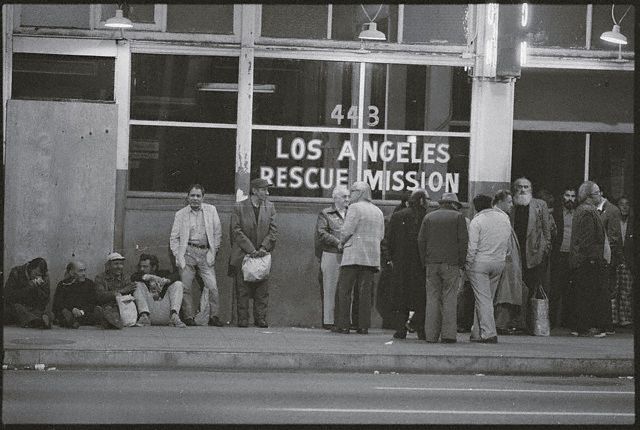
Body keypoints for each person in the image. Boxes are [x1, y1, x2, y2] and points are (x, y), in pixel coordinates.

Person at [333, 181, 384, 335]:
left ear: (361, 192)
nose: (351, 194)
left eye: (353, 190)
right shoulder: (378, 211)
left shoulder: (354, 208)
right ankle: (363, 326)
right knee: (365, 293)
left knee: (344, 290)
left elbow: (347, 230)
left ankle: (343, 325)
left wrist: (341, 243)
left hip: (353, 255)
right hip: (371, 257)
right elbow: (381, 235)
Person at [417, 192, 468, 343]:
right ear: (454, 204)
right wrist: (461, 262)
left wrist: (424, 261)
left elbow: (421, 241)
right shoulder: (458, 217)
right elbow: (463, 242)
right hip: (451, 263)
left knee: (432, 298)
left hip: (431, 263)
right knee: (449, 298)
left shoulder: (429, 217)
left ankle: (431, 335)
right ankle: (448, 335)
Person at [170, 184, 223, 327]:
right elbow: (174, 237)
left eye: (198, 196)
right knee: (186, 286)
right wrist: (178, 255)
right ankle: (188, 317)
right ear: (187, 197)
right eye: (192, 195)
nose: (195, 199)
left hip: (206, 252)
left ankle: (214, 316)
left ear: (203, 198)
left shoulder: (211, 211)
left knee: (212, 286)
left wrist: (214, 251)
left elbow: (217, 233)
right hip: (187, 252)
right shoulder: (180, 214)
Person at [229, 178, 278, 328]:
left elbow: (274, 230)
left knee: (262, 289)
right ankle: (243, 319)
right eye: (263, 190)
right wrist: (251, 249)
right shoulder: (240, 207)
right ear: (254, 191)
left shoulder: (270, 207)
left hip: (262, 255)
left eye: (267, 190)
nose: (267, 193)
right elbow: (236, 231)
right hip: (243, 254)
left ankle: (260, 318)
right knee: (242, 288)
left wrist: (263, 248)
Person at [466, 194, 512, 343]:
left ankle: (489, 333)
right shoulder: (504, 219)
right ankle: (477, 333)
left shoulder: (477, 221)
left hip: (480, 264)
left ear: (475, 207)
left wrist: (467, 264)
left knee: (482, 299)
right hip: (498, 263)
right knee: (486, 299)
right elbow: (509, 246)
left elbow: (472, 247)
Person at [386, 189, 431, 340]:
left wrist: (390, 258)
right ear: (422, 200)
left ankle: (400, 330)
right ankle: (420, 329)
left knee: (401, 297)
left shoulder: (398, 215)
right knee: (421, 298)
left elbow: (389, 239)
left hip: (401, 263)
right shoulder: (427, 217)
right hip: (420, 263)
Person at [510, 177, 551, 331]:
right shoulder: (511, 204)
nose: (522, 189)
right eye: (519, 186)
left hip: (533, 255)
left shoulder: (540, 205)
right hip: (515, 253)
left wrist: (544, 250)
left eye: (526, 187)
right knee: (515, 289)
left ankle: (530, 323)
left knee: (532, 288)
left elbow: (547, 232)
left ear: (531, 189)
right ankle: (516, 323)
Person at [569, 181, 608, 337]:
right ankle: (586, 326)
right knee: (589, 293)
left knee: (584, 292)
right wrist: (592, 258)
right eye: (597, 192)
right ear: (589, 196)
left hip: (584, 259)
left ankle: (581, 326)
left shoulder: (584, 210)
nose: (600, 195)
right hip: (588, 260)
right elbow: (587, 239)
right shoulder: (588, 212)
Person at [314, 185, 350, 330]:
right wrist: (338, 242)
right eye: (344, 197)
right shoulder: (326, 213)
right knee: (329, 288)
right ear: (335, 198)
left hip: (347, 254)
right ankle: (329, 320)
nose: (347, 199)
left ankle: (344, 320)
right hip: (331, 253)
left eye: (348, 196)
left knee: (346, 289)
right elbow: (321, 233)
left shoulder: (351, 212)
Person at [492, 190, 526, 335]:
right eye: (509, 202)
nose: (512, 205)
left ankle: (502, 323)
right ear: (500, 202)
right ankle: (501, 324)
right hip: (505, 262)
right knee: (504, 295)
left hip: (506, 262)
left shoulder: (500, 217)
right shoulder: (500, 218)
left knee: (505, 294)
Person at [594, 187, 623, 335]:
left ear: (601, 194)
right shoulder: (596, 209)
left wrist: (604, 256)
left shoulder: (611, 210)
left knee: (605, 290)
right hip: (599, 256)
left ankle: (607, 325)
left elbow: (614, 236)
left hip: (606, 257)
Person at [130, 253, 187, 328]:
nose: (142, 269)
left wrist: (166, 281)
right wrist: (150, 277)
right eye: (141, 266)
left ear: (154, 267)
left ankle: (174, 316)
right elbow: (133, 277)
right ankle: (144, 316)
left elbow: (176, 276)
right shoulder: (139, 276)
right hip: (149, 313)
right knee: (137, 284)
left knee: (178, 284)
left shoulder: (163, 273)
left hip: (166, 313)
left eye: (145, 266)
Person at [550, 187, 577, 329]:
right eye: (568, 195)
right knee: (555, 289)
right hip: (559, 254)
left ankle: (568, 322)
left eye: (573, 196)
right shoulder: (556, 213)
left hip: (573, 256)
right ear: (563, 197)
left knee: (571, 290)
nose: (570, 199)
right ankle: (552, 321)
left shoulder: (578, 213)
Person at [52, 260, 105, 328]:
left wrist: (82, 311)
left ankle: (72, 322)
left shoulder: (89, 284)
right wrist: (72, 309)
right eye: (80, 271)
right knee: (63, 312)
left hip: (84, 313)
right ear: (71, 272)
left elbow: (93, 302)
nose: (84, 273)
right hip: (70, 311)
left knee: (96, 311)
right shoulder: (63, 284)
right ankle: (70, 321)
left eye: (84, 270)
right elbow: (58, 303)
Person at [4, 257, 53, 329]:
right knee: (17, 308)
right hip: (19, 307)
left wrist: (38, 288)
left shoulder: (44, 277)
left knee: (49, 313)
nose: (37, 277)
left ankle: (36, 321)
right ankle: (37, 321)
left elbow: (45, 300)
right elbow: (8, 296)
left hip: (34, 309)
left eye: (40, 275)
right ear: (30, 269)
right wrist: (29, 287)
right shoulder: (16, 272)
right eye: (35, 273)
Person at [94, 252, 137, 329]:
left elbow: (130, 291)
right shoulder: (100, 278)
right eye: (116, 264)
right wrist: (121, 291)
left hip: (123, 306)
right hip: (107, 305)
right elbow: (100, 296)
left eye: (121, 264)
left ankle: (108, 322)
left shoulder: (125, 277)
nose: (119, 267)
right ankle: (108, 320)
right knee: (107, 309)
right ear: (108, 266)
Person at [613, 196, 633, 327]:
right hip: (615, 259)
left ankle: (625, 319)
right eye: (621, 204)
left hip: (628, 260)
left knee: (626, 290)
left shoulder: (632, 223)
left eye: (627, 204)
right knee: (613, 290)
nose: (624, 207)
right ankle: (613, 318)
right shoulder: (614, 221)